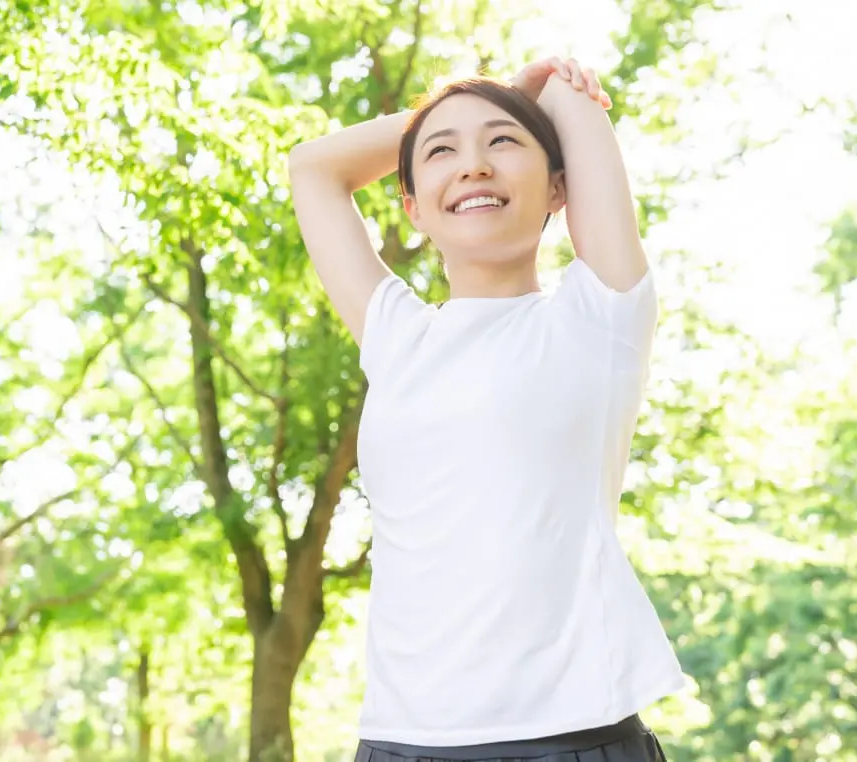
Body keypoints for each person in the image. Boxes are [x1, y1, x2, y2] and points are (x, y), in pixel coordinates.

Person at [287, 57, 684, 762]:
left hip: (571, 739)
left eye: (504, 143)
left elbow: (571, 95)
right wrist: (473, 106)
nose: (472, 166)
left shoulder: (602, 317)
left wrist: (529, 97)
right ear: (412, 205)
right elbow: (315, 168)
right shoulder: (397, 336)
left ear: (560, 188)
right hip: (403, 743)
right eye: (443, 155)